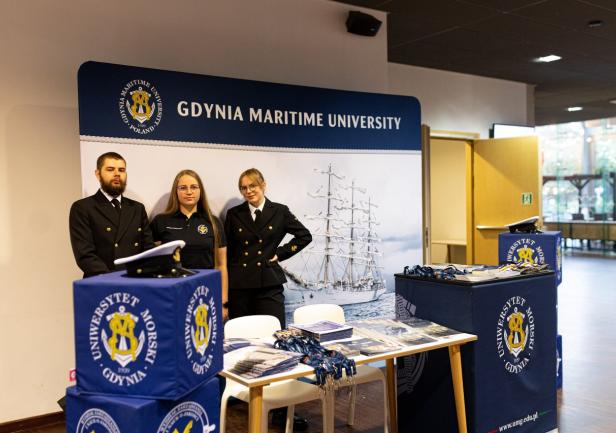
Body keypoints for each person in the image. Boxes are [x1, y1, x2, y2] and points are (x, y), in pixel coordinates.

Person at [225, 168, 312, 430]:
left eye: (252, 186)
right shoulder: (234, 214)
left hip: (268, 285)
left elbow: (304, 236)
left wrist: (281, 254)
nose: (248, 191)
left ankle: (281, 408)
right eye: (243, 188)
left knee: (277, 344)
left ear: (263, 185)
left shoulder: (279, 211)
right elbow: (228, 252)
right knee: (241, 344)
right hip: (241, 286)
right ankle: (242, 396)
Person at [151, 169, 228, 320]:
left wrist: (223, 302)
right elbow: (154, 263)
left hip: (205, 291)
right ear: (176, 191)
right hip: (172, 292)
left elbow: (221, 265)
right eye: (183, 188)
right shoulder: (161, 221)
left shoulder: (213, 222)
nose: (189, 192)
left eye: (194, 187)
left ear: (200, 191)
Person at [69, 152, 154, 278]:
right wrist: (113, 279)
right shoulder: (83, 208)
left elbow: (148, 249)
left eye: (121, 170)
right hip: (101, 282)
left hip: (135, 280)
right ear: (98, 174)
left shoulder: (137, 208)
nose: (117, 174)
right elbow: (85, 255)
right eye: (110, 169)